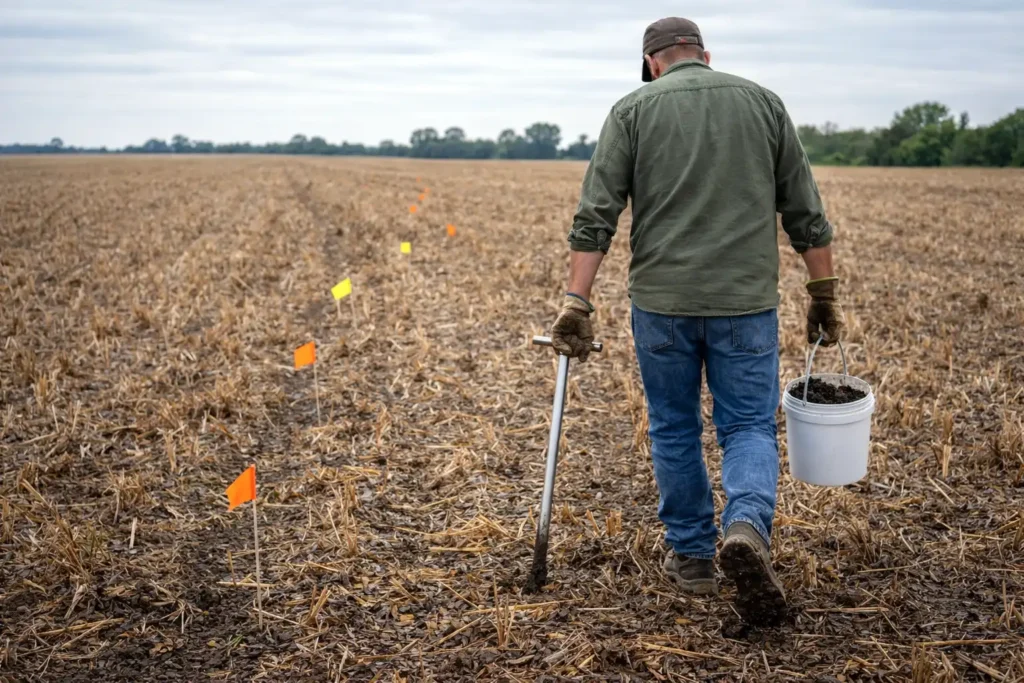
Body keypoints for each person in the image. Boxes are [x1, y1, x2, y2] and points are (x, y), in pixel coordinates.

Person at [549, 17, 844, 625]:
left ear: (653, 62)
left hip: (661, 305)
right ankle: (745, 527)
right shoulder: (764, 104)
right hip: (745, 304)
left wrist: (576, 303)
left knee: (674, 427)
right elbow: (805, 209)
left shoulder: (631, 111)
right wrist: (823, 292)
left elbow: (595, 214)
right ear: (704, 55)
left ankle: (693, 560)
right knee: (749, 428)